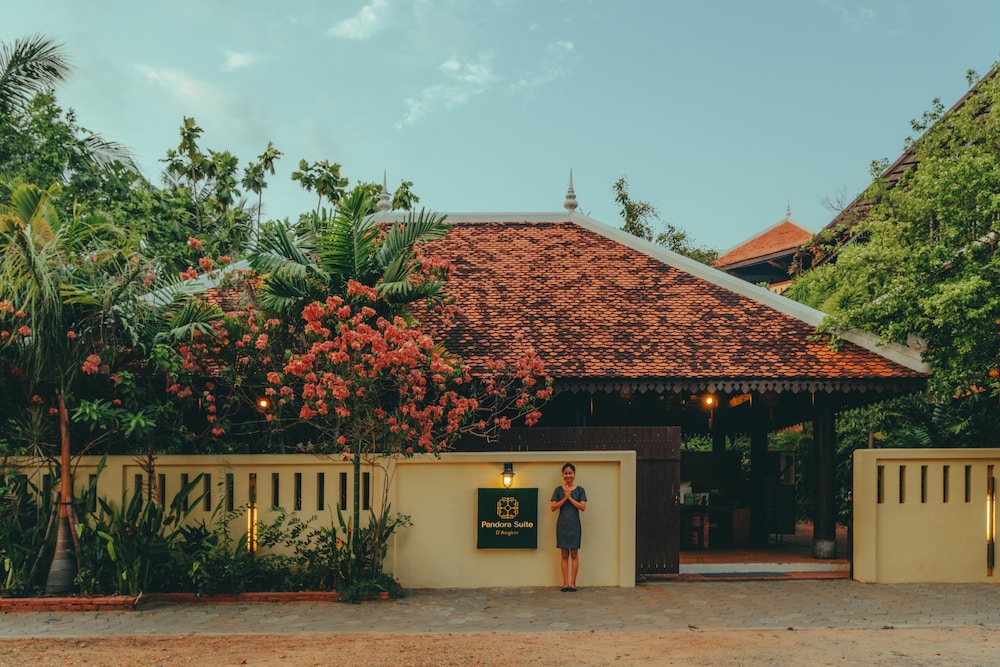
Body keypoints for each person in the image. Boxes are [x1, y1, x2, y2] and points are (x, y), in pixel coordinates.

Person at [550, 462, 587, 592]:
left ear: (574, 474)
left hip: (575, 525)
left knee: (574, 554)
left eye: (570, 473)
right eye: (566, 473)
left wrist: (570, 498)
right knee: (564, 554)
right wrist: (564, 498)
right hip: (562, 525)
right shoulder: (558, 490)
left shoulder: (580, 490)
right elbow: (553, 507)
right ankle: (565, 583)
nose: (568, 475)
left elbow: (582, 507)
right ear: (562, 474)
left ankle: (573, 583)